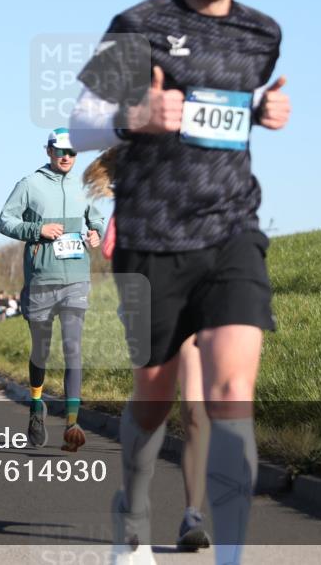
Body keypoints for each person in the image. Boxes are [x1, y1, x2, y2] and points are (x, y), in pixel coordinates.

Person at [69, 0, 291, 563]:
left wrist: (263, 109)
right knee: (155, 391)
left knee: (230, 390)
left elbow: (223, 108)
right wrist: (135, 114)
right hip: (151, 232)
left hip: (231, 229)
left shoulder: (263, 35)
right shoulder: (140, 25)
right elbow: (79, 124)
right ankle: (132, 517)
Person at [86, 153, 212, 552]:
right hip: (146, 307)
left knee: (195, 408)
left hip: (193, 305)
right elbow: (113, 250)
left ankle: (193, 515)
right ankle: (132, 502)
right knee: (154, 405)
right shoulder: (132, 203)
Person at [0, 127, 105, 452]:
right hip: (41, 281)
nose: (67, 158)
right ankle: (35, 403)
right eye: (61, 152)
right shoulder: (29, 184)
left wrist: (96, 233)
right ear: (48, 151)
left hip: (76, 279)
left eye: (72, 153)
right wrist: (38, 229)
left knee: (73, 349)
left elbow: (97, 219)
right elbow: (4, 221)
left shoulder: (83, 186)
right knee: (40, 350)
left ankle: (72, 424)